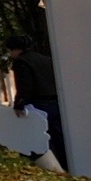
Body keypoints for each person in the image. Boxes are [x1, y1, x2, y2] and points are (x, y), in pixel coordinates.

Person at [11, 39, 66, 169]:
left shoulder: (22, 62)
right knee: (57, 136)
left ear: (15, 49)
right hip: (54, 101)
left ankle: (46, 165)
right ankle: (64, 163)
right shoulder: (46, 59)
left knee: (37, 137)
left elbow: (25, 85)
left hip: (37, 103)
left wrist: (19, 104)